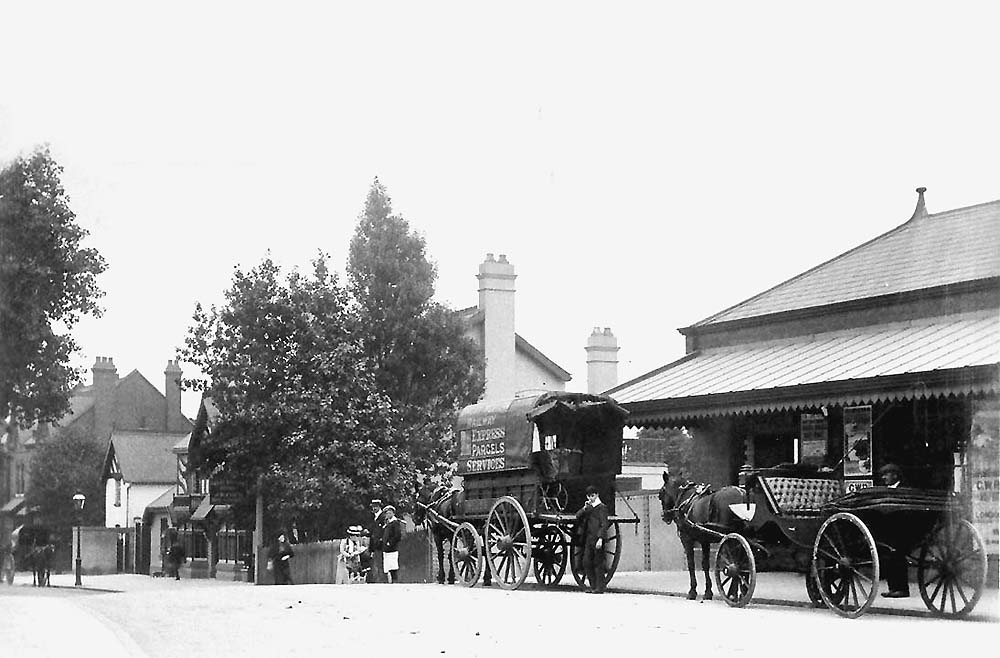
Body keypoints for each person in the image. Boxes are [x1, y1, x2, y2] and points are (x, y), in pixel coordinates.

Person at [879, 463, 909, 598]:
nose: (884, 478)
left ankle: (901, 589)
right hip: (891, 530)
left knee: (895, 555)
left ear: (895, 475)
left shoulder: (903, 490)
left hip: (899, 530)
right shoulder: (886, 490)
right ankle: (893, 588)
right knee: (891, 555)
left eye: (887, 474)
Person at [575, 485, 609, 593]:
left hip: (597, 539)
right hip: (589, 538)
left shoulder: (602, 507)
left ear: (597, 495)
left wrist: (600, 538)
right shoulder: (588, 508)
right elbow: (577, 516)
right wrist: (584, 508)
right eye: (589, 496)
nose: (591, 498)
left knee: (598, 563)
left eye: (593, 496)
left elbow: (604, 524)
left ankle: (600, 587)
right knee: (586, 562)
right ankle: (593, 585)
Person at [381, 505, 402, 584]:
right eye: (387, 513)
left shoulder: (395, 523)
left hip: (392, 548)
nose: (388, 515)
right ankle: (389, 581)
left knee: (393, 565)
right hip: (386, 548)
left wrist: (390, 542)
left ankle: (394, 580)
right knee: (387, 566)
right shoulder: (387, 523)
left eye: (390, 513)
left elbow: (397, 535)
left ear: (393, 513)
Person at [367, 498, 386, 583]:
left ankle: (383, 581)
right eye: (373, 507)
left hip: (381, 545)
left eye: (376, 507)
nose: (374, 508)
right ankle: (379, 581)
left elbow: (384, 532)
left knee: (381, 564)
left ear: (379, 507)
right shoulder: (374, 518)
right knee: (377, 564)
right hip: (375, 546)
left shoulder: (383, 517)